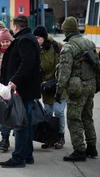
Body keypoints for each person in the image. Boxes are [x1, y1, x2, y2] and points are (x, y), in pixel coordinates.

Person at [0, 15, 41, 168]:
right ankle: (27, 155)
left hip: (23, 90)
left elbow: (26, 63)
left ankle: (18, 158)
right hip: (27, 89)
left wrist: (15, 80)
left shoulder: (24, 40)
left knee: (20, 124)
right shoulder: (29, 38)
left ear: (15, 27)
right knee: (26, 123)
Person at [55, 16, 98, 161]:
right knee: (87, 116)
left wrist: (59, 90)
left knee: (74, 118)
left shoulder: (68, 47)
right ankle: (91, 148)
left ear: (66, 31)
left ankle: (79, 150)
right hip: (91, 85)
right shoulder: (89, 43)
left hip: (77, 88)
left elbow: (64, 72)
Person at [33, 25, 67, 149]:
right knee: (47, 112)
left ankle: (60, 136)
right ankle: (49, 138)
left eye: (38, 37)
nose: (36, 40)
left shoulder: (56, 46)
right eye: (35, 37)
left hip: (59, 84)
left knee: (58, 111)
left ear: (44, 37)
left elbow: (68, 59)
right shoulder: (35, 49)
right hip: (46, 86)